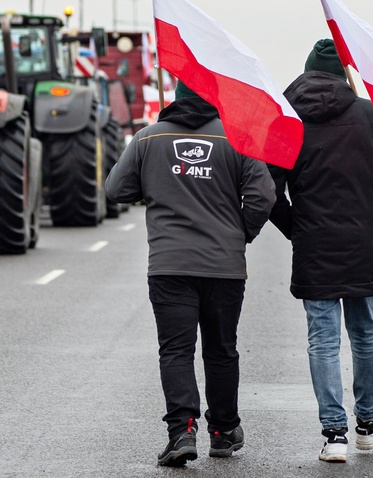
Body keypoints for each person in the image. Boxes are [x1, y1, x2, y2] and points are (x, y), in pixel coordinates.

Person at [105, 81, 275, 467]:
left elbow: (116, 189)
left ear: (177, 97)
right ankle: (223, 431)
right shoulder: (237, 137)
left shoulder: (149, 137)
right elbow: (264, 196)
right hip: (225, 266)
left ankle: (182, 431)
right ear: (214, 97)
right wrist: (241, 232)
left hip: (169, 264)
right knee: (221, 349)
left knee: (176, 350)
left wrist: (155, 182)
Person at [269, 39, 373, 463]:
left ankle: (334, 435)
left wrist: (297, 229)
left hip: (315, 245)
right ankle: (367, 425)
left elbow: (269, 189)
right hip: (364, 243)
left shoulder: (289, 120)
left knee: (323, 340)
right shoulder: (371, 116)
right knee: (366, 334)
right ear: (345, 75)